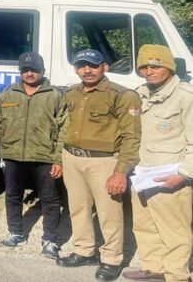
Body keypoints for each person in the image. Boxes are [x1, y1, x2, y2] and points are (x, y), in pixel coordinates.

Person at [56, 49, 141, 282]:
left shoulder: (122, 95)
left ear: (105, 67)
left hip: (104, 162)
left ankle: (112, 259)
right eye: (81, 65)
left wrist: (121, 172)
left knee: (109, 213)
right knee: (78, 208)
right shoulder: (71, 93)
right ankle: (84, 250)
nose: (87, 70)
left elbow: (131, 136)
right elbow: (63, 127)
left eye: (93, 65)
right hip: (72, 158)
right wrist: (59, 158)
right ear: (76, 69)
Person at [0, 52, 65, 259]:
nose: (29, 74)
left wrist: (58, 159)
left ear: (43, 71)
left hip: (44, 157)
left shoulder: (55, 95)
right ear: (20, 72)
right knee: (12, 196)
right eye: (25, 70)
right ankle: (16, 233)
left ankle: (50, 240)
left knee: (50, 199)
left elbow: (64, 129)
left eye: (34, 70)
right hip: (13, 155)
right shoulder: (7, 93)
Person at [122, 45, 193, 282]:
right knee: (144, 224)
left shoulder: (185, 96)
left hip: (170, 176)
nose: (149, 71)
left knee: (174, 230)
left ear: (169, 68)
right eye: (144, 67)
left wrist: (184, 174)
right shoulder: (139, 93)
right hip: (142, 172)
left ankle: (177, 275)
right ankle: (154, 267)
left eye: (155, 66)